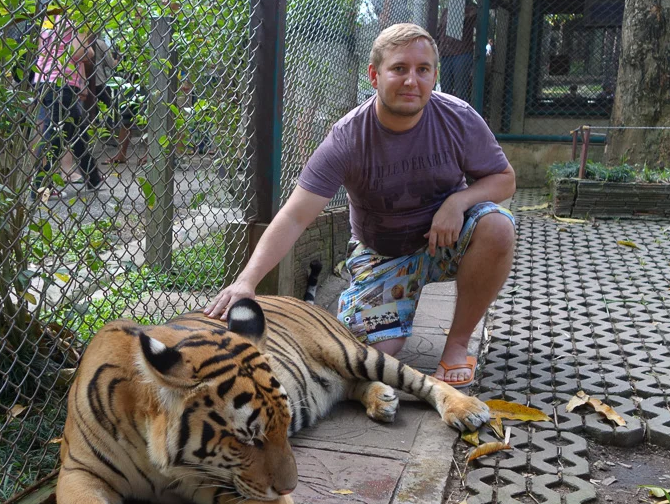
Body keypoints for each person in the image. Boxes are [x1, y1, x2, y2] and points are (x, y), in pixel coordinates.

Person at [205, 23, 516, 389]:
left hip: (443, 238)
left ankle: (457, 346)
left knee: (497, 225)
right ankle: (367, 306)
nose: (411, 81)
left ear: (434, 75)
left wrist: (458, 200)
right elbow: (294, 216)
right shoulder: (348, 138)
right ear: (374, 75)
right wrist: (247, 282)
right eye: (399, 68)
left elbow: (504, 179)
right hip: (382, 254)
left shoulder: (457, 118)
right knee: (372, 355)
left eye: (423, 70)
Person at [31, 7, 100, 197]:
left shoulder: (49, 19)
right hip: (63, 83)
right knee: (56, 134)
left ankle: (93, 177)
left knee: (76, 130)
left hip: (44, 79)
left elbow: (42, 51)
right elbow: (79, 52)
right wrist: (91, 51)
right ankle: (41, 185)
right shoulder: (78, 17)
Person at [437, 0, 478, 102]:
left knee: (461, 92)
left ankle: (460, 120)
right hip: (445, 55)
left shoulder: (473, 9)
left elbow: (467, 21)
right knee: (445, 92)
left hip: (461, 54)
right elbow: (439, 32)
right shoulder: (445, 11)